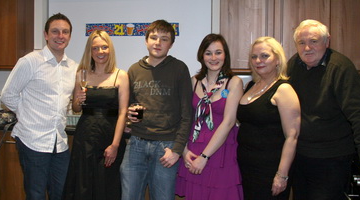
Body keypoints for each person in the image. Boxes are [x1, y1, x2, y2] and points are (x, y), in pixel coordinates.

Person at [287, 19, 360, 200]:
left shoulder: (340, 68)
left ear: (327, 42)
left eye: (314, 41)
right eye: (301, 43)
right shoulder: (294, 65)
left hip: (331, 159)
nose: (307, 48)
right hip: (300, 157)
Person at [0, 13, 77, 200]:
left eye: (65, 32)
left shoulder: (72, 67)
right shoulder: (30, 61)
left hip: (59, 142)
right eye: (55, 31)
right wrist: (28, 114)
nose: (60, 36)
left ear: (69, 36)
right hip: (32, 140)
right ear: (46, 35)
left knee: (60, 193)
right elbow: (7, 96)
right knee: (36, 195)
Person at [120, 19, 193, 200]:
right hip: (136, 143)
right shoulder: (134, 70)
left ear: (171, 44)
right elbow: (127, 108)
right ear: (146, 41)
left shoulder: (179, 69)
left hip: (166, 146)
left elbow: (187, 114)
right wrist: (129, 118)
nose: (158, 43)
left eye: (164, 39)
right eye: (153, 37)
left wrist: (177, 150)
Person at [175, 34, 244, 200]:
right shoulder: (194, 82)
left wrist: (205, 157)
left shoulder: (233, 83)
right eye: (208, 53)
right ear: (201, 56)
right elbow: (183, 118)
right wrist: (184, 151)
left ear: (225, 55)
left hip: (220, 152)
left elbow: (228, 123)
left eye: (218, 52)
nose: (213, 58)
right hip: (193, 149)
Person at [62, 30, 129, 200]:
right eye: (96, 48)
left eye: (104, 47)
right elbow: (77, 108)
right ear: (90, 51)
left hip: (110, 135)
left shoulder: (120, 76)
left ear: (110, 49)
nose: (100, 52)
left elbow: (123, 113)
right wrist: (77, 99)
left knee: (107, 184)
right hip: (85, 136)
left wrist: (114, 145)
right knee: (83, 183)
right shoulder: (81, 74)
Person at [237, 36, 300, 199]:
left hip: (270, 169)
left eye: (265, 55)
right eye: (254, 57)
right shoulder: (251, 86)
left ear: (278, 59)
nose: (258, 60)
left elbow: (292, 136)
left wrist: (282, 175)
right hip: (247, 166)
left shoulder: (283, 89)